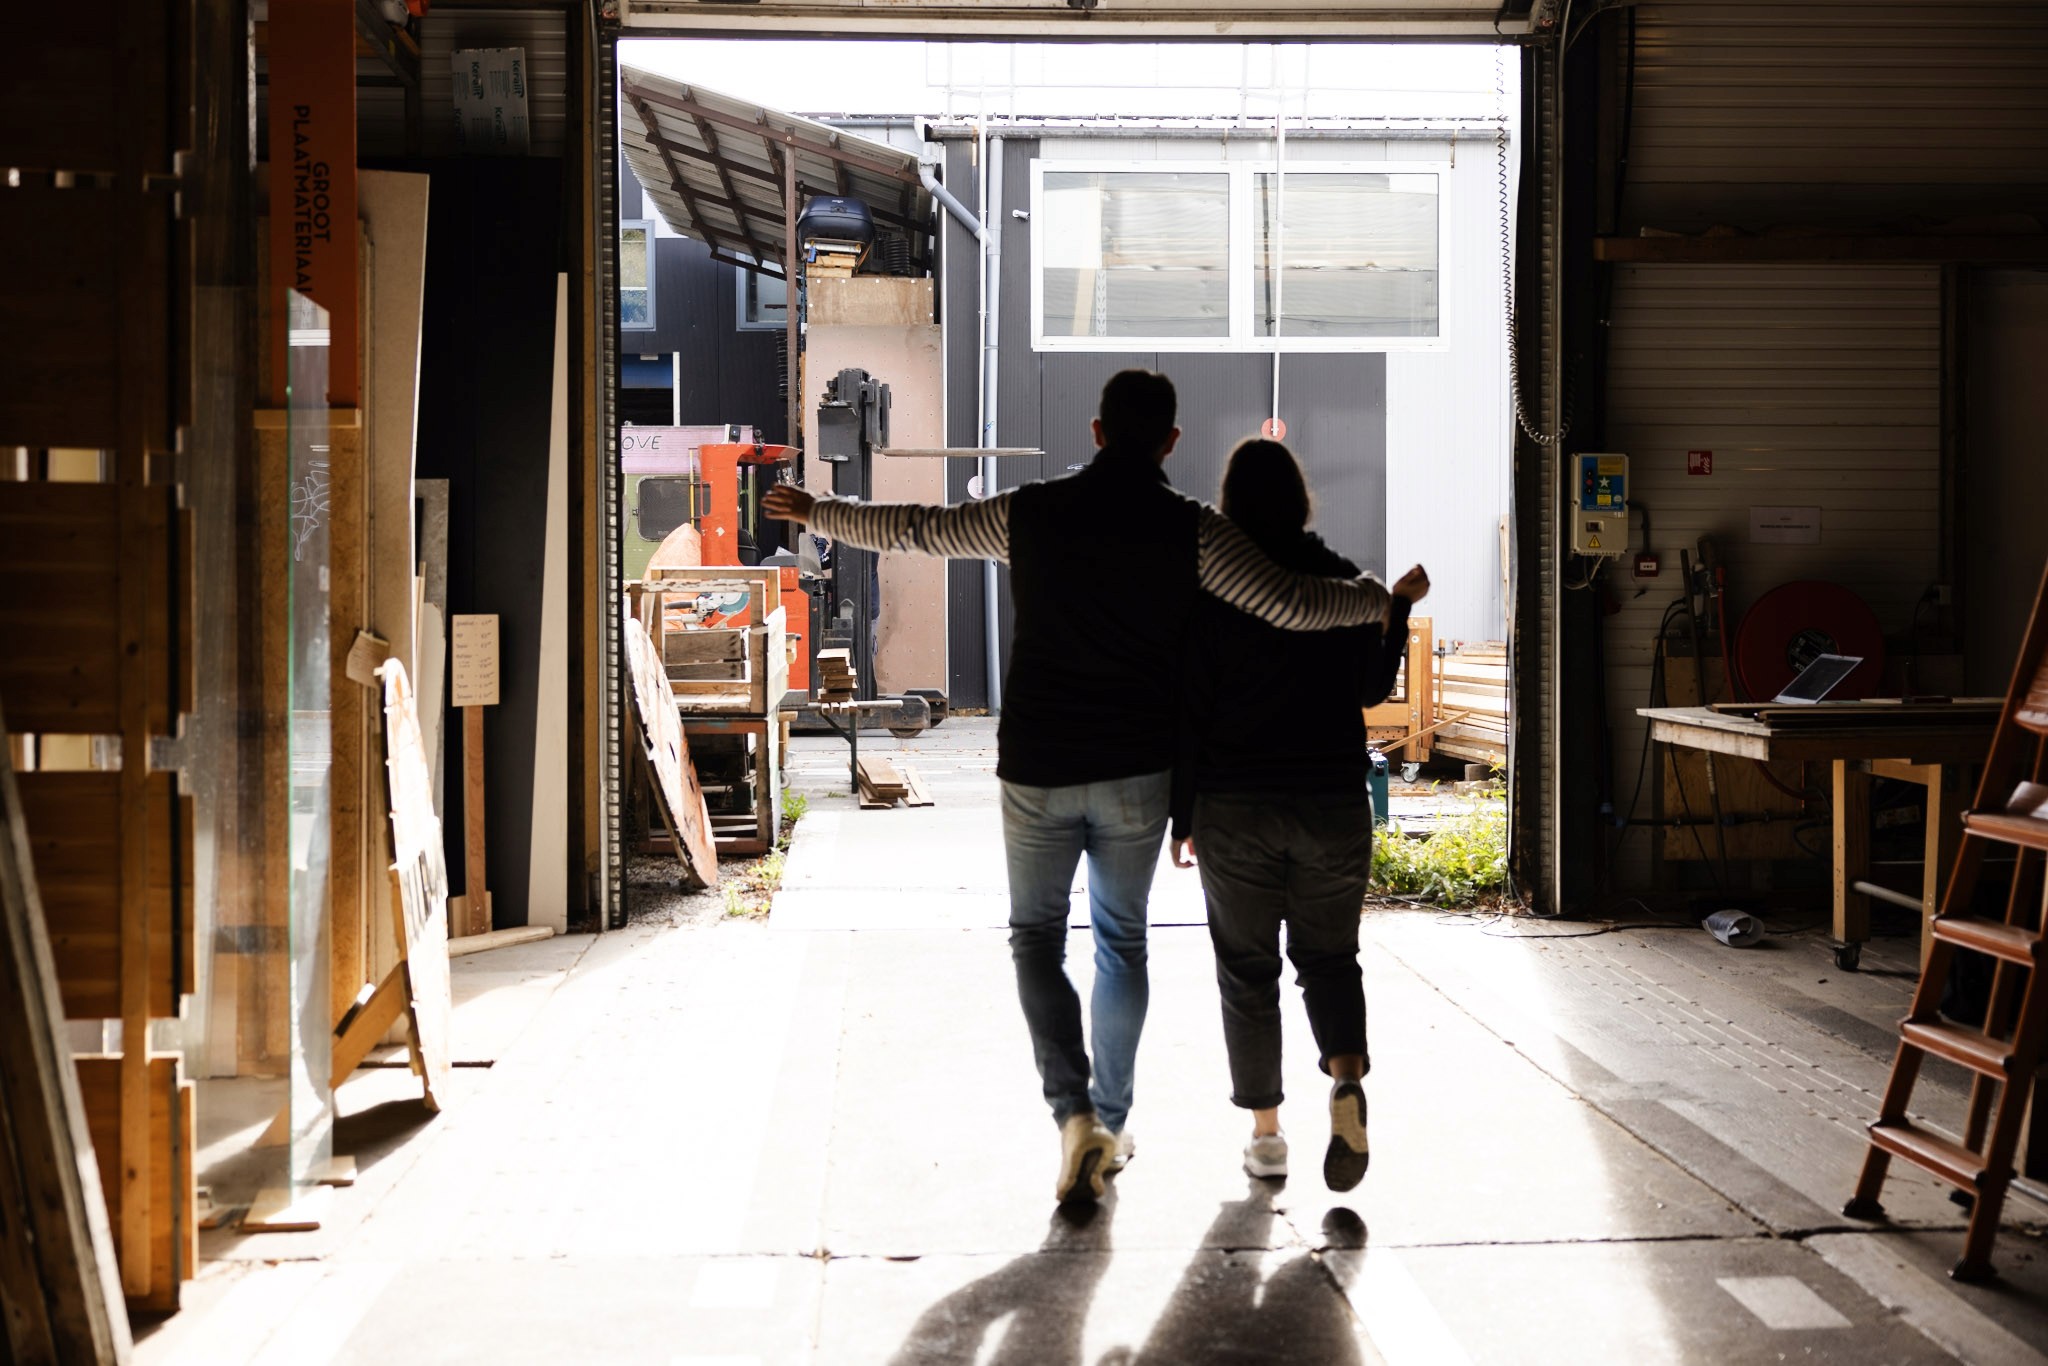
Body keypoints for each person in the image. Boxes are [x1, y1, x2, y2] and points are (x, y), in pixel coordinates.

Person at [763, 370, 1396, 1207]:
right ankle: (1112, 1116)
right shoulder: (1194, 531)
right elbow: (1286, 603)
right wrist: (1372, 600)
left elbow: (920, 530)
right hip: (1136, 767)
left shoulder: (1029, 513)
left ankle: (1074, 1119)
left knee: (1036, 940)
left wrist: (820, 514)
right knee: (1121, 944)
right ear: (1170, 441)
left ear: (1096, 431)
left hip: (1038, 763)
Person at [1168, 438, 1429, 1193]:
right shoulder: (1342, 578)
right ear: (1301, 499)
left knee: (1247, 971)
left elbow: (1192, 707)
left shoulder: (1213, 590)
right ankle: (1346, 1085)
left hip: (1235, 805)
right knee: (1329, 959)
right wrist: (1399, 609)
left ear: (1229, 504)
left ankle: (1268, 1135)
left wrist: (1180, 813)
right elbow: (1373, 691)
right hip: (1331, 802)